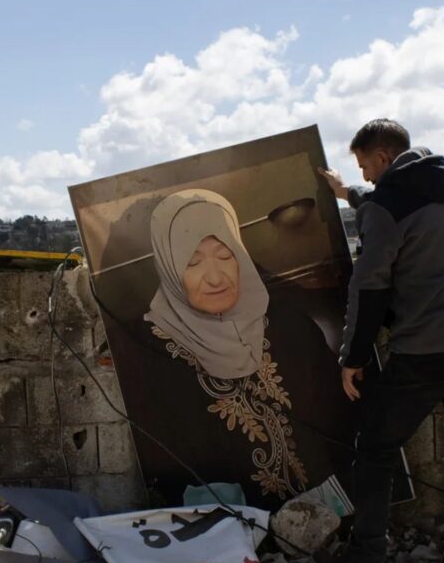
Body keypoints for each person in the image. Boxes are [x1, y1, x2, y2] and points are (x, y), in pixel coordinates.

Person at [317, 119, 444, 563]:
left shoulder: (385, 208)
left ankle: (366, 553)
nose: (366, 175)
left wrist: (353, 356)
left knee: (375, 448)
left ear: (383, 158)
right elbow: (388, 201)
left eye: (365, 166)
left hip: (428, 350)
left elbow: (369, 289)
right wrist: (347, 192)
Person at [133, 188, 354, 509]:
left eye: (226, 256)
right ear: (169, 267)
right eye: (192, 262)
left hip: (330, 511)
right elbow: (168, 461)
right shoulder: (153, 351)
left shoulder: (288, 323)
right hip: (234, 527)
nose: (215, 277)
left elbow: (339, 416)